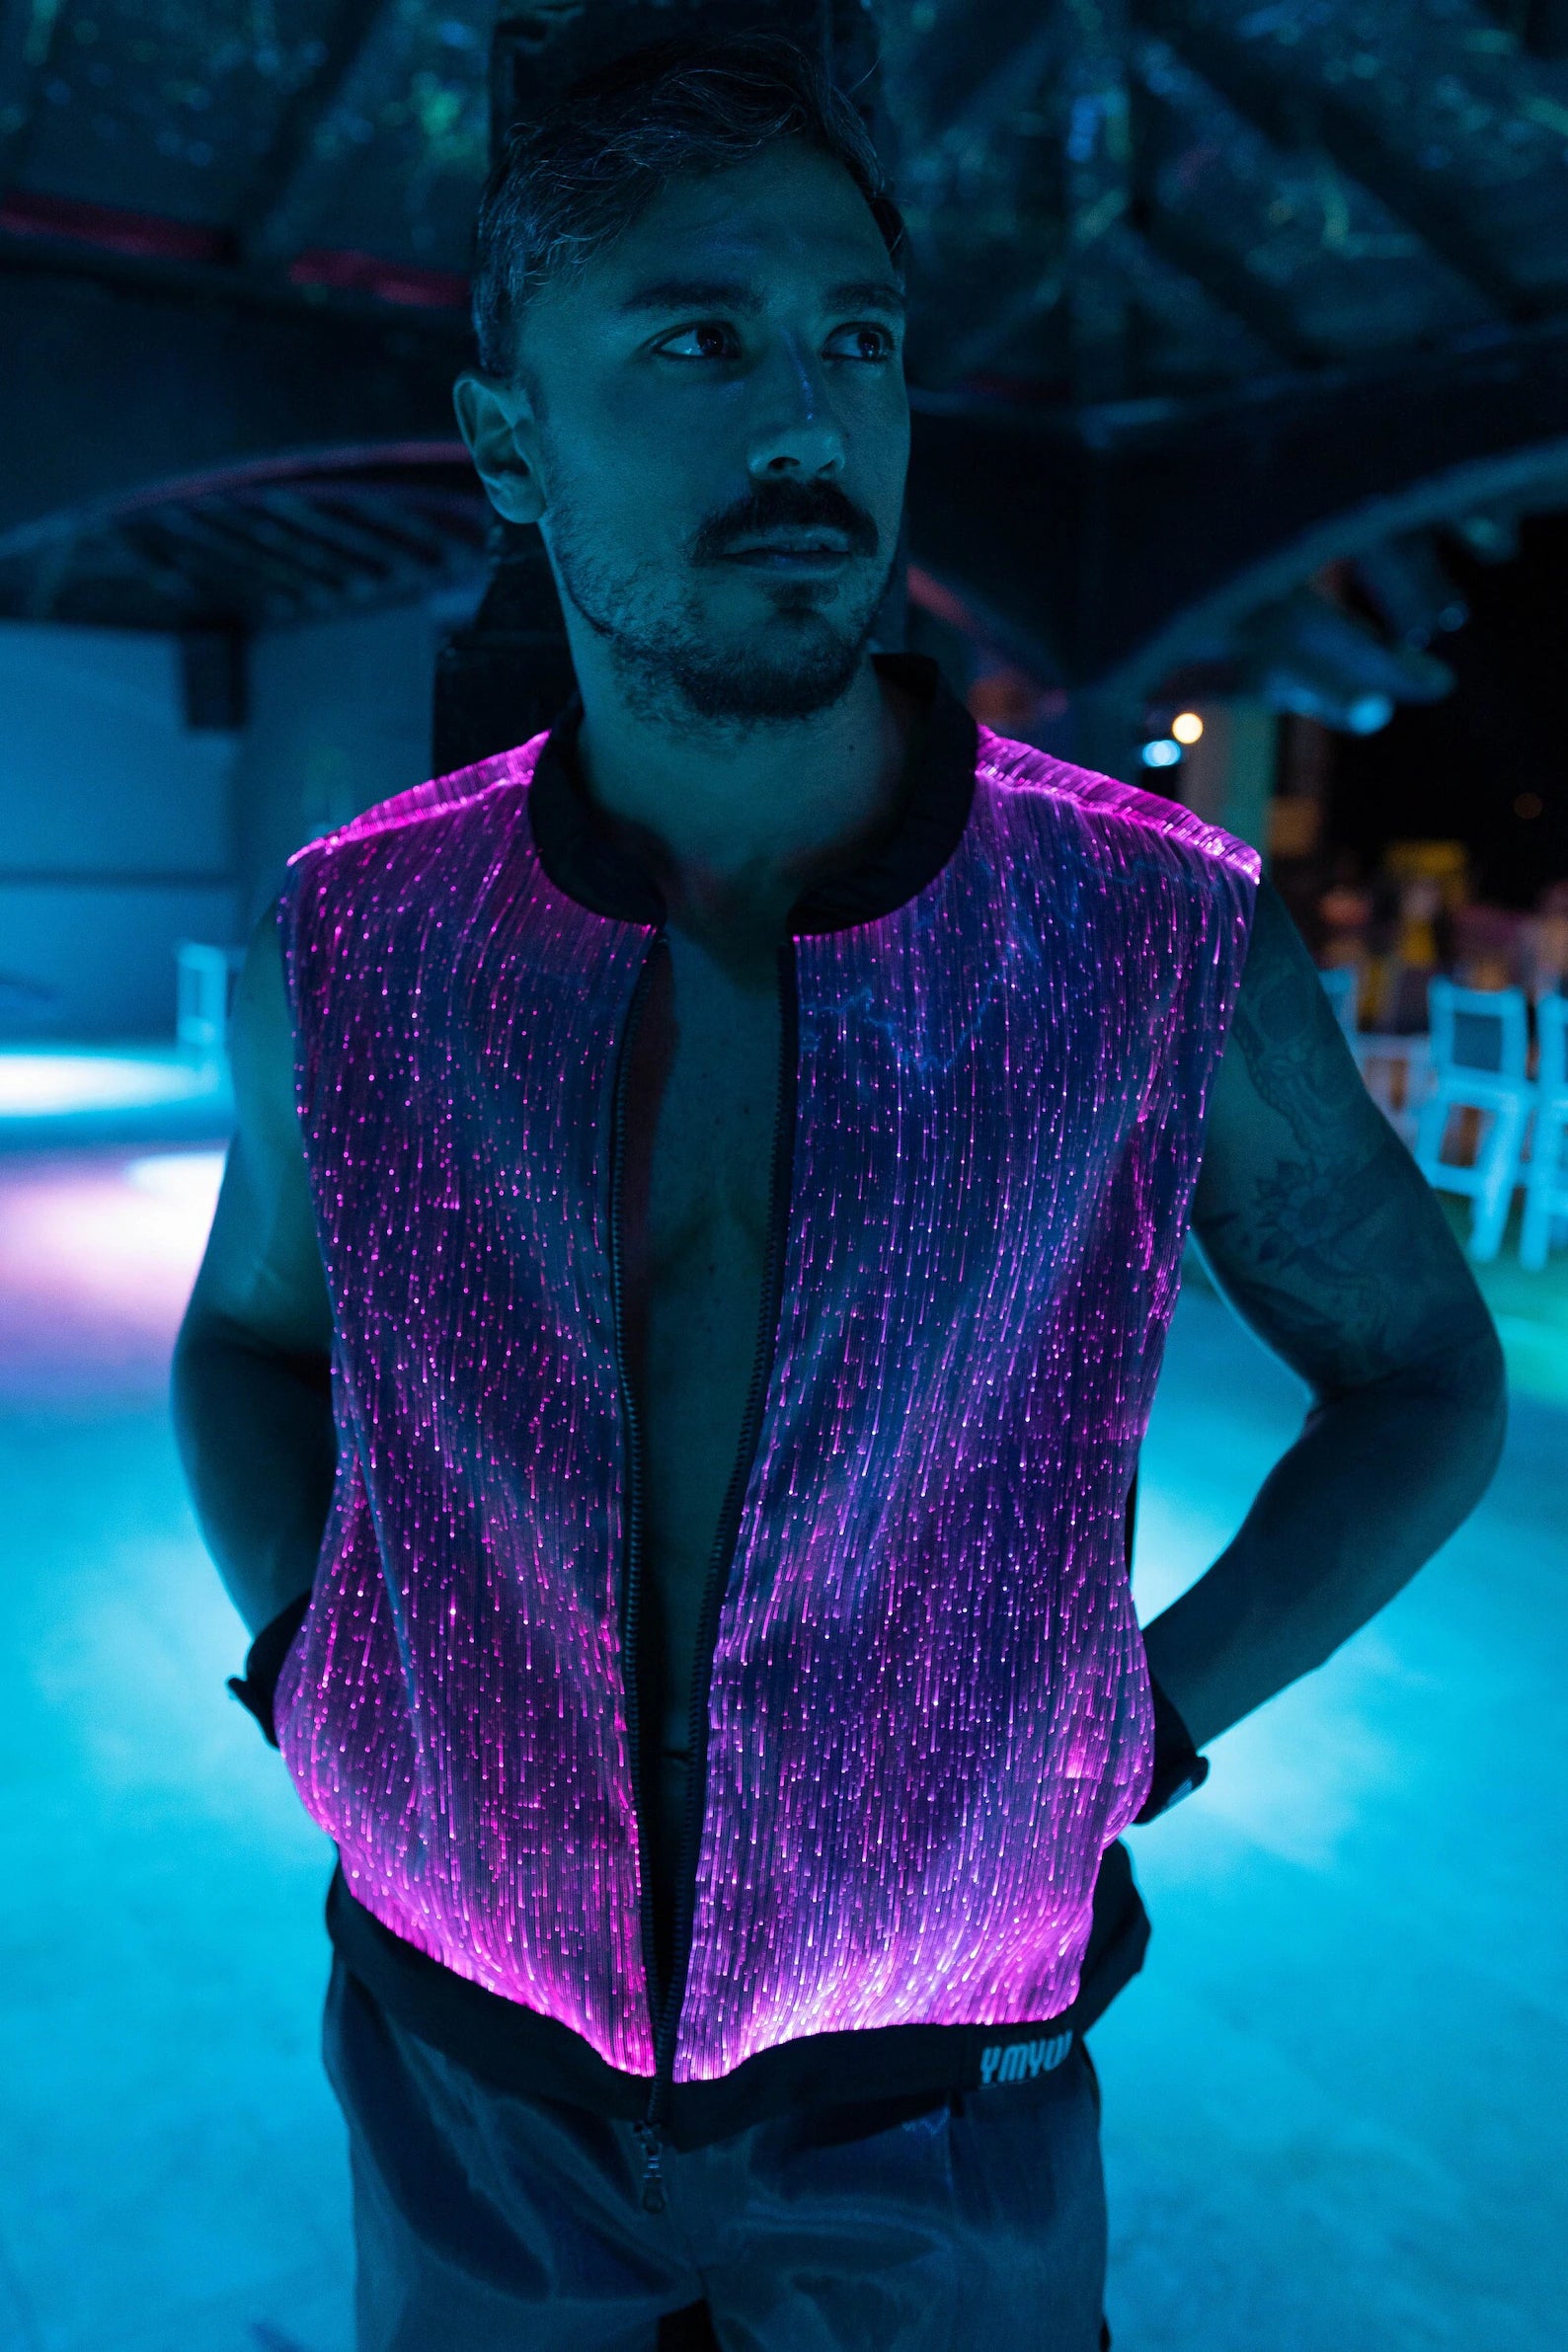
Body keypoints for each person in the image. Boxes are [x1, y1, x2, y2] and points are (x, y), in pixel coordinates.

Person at [172, 39, 1506, 2352]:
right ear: (510, 439)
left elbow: (1419, 1377)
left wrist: (1136, 1728)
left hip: (938, 2104)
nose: (803, 418)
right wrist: (318, 1665)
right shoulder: (358, 943)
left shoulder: (1140, 933)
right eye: (696, 338)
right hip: (458, 2061)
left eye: (854, 340)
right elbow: (250, 1335)